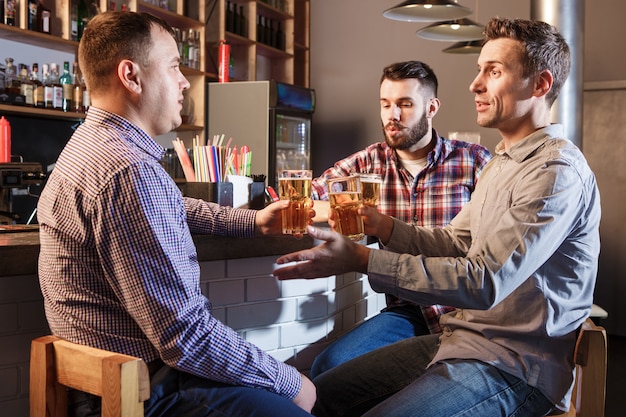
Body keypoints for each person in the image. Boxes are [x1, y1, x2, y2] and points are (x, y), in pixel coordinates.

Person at [274, 16, 600, 417]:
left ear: (540, 85)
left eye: (493, 71)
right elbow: (455, 242)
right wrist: (382, 226)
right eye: (479, 69)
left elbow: (484, 281)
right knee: (314, 395)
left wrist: (362, 259)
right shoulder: (504, 160)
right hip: (461, 338)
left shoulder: (555, 171)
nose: (475, 84)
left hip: (513, 365)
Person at [37, 11, 315, 417]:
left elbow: (170, 206)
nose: (185, 81)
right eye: (173, 66)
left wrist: (251, 221)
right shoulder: (128, 170)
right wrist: (292, 383)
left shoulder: (92, 145)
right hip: (144, 392)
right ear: (131, 76)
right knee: (305, 394)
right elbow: (184, 337)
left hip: (111, 381)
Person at [308, 60, 491, 378]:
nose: (392, 116)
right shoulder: (368, 162)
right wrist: (346, 210)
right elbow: (305, 199)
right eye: (386, 104)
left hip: (469, 312)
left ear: (431, 107)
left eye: (405, 104)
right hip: (408, 313)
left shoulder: (473, 160)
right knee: (328, 367)